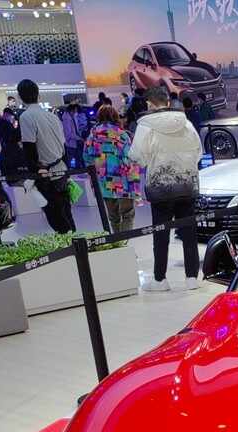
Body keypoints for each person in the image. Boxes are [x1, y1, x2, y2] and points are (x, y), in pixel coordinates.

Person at [128, 84, 203, 292]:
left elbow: (137, 156)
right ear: (167, 102)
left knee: (160, 235)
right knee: (189, 234)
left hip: (160, 188)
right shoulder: (185, 122)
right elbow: (198, 152)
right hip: (186, 185)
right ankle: (191, 278)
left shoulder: (146, 126)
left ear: (149, 104)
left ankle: (160, 280)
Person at [17, 79, 75, 234]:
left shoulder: (26, 117)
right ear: (38, 95)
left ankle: (70, 243)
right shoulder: (52, 116)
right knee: (66, 211)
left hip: (45, 173)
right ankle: (77, 242)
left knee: (55, 215)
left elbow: (29, 149)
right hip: (61, 169)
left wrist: (33, 174)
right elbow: (63, 146)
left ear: (20, 97)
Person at [84, 104, 141, 238]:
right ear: (115, 116)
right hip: (122, 179)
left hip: (104, 181)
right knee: (127, 213)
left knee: (113, 216)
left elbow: (87, 157)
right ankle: (125, 242)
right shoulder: (121, 134)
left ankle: (117, 241)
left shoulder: (92, 135)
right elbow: (130, 156)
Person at [0, 106, 26, 184]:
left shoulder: (2, 121)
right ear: (7, 114)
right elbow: (10, 136)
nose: (11, 118)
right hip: (10, 148)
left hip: (8, 148)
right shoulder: (3, 122)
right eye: (11, 116)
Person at [60, 100, 83, 169]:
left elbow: (76, 128)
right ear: (72, 109)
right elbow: (68, 134)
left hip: (76, 142)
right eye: (75, 110)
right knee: (70, 162)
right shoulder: (66, 119)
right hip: (70, 143)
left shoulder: (73, 116)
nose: (76, 112)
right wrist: (79, 138)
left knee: (78, 161)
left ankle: (77, 170)